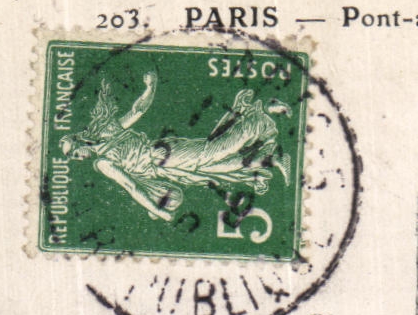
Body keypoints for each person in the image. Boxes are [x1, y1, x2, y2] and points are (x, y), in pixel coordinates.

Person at [60, 72, 291, 222]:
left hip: (164, 156)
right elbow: (133, 185)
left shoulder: (104, 155)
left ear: (80, 140)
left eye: (74, 153)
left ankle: (259, 116)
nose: (77, 158)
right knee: (216, 168)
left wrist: (150, 87)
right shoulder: (103, 152)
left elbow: (131, 185)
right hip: (165, 168)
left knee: (216, 152)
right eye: (73, 158)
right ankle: (269, 158)